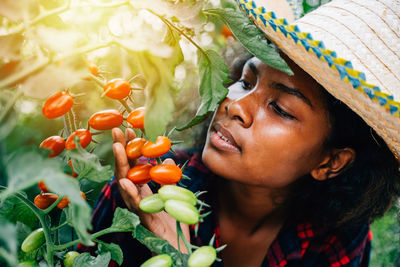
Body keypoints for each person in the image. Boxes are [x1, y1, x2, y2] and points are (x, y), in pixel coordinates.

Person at [79, 0, 400, 266]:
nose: (234, 104)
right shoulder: (146, 187)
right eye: (245, 82)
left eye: (281, 109)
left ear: (332, 162)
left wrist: (175, 255)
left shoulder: (338, 238)